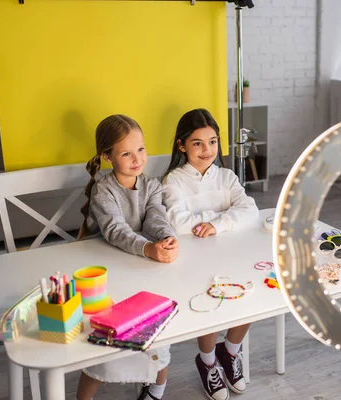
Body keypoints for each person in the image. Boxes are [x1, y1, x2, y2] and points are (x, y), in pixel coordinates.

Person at [76, 114, 179, 400]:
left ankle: (155, 389)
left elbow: (155, 218)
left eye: (141, 149)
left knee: (157, 332)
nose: (137, 159)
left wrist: (166, 238)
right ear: (107, 157)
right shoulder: (103, 190)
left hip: (142, 270)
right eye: (126, 153)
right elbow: (115, 231)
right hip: (110, 276)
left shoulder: (152, 186)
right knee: (105, 348)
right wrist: (148, 248)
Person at [162, 108, 258, 400]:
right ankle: (206, 361)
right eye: (198, 143)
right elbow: (178, 222)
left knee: (250, 292)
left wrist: (216, 223)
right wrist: (224, 215)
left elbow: (249, 210)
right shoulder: (173, 181)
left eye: (213, 142)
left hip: (230, 255)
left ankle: (229, 351)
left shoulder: (226, 176)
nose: (207, 150)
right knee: (209, 299)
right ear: (182, 145)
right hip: (193, 263)